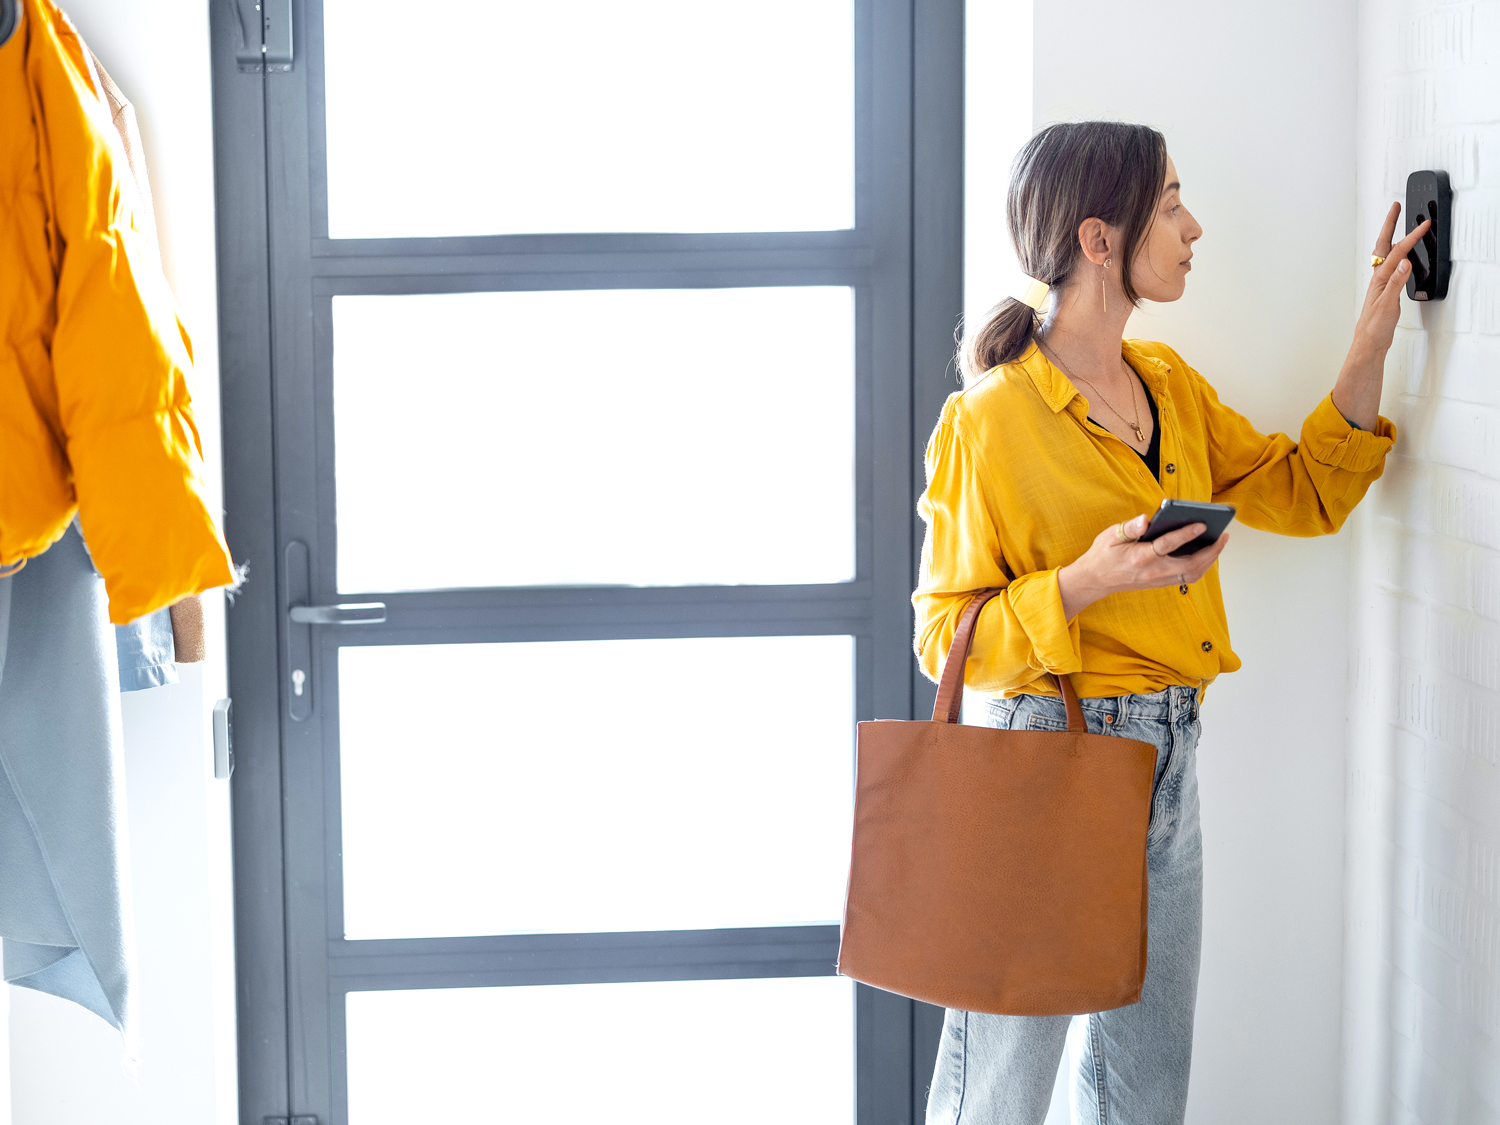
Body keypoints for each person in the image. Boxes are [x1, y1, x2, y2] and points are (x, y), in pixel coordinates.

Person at [912, 121, 1426, 1125]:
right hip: (1053, 763)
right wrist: (1085, 583)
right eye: (1171, 203)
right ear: (1100, 240)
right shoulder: (992, 420)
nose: (1194, 227)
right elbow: (944, 636)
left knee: (1145, 1088)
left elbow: (1304, 490)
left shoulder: (1169, 389)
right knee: (1004, 1088)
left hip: (1171, 761)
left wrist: (1374, 331)